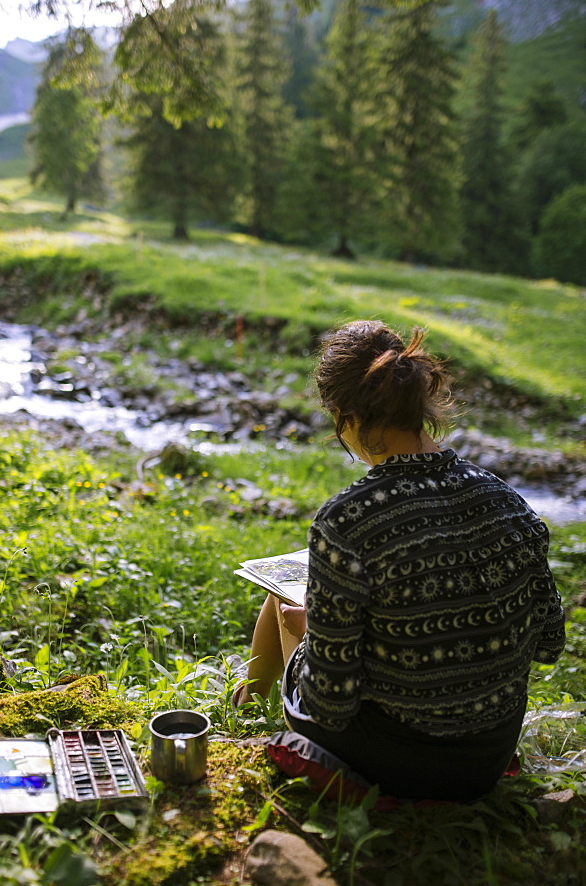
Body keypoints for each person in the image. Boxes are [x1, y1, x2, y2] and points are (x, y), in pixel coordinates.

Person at [236, 320, 565, 802]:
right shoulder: (507, 499)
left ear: (343, 416)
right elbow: (551, 642)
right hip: (489, 755)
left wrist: (316, 633)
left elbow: (329, 703)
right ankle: (243, 706)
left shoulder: (347, 521)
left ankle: (244, 714)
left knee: (290, 608)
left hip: (401, 764)